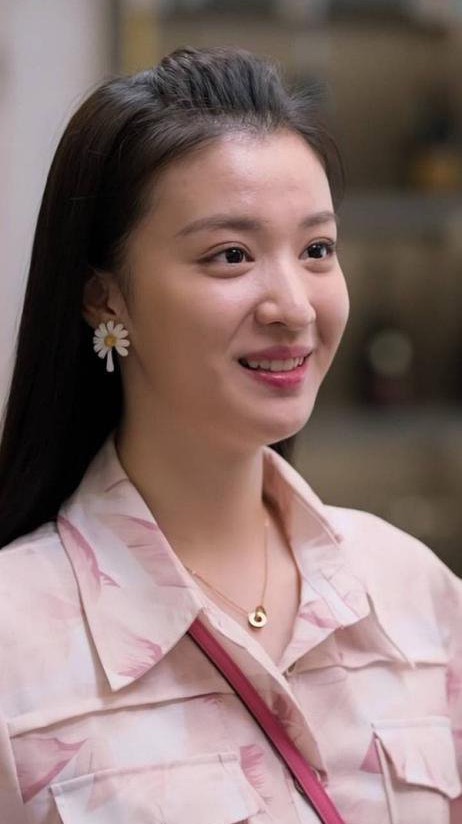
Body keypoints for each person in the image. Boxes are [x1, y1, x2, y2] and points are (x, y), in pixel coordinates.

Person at [0, 46, 460, 824]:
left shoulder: (412, 593)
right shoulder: (17, 642)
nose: (294, 306)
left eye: (317, 250)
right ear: (105, 297)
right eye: (231, 256)